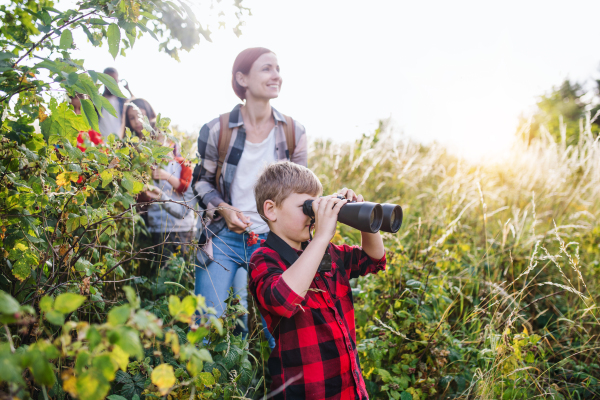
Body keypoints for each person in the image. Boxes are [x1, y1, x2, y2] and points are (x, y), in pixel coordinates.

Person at [182, 47, 307, 344]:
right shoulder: (217, 129)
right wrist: (224, 208)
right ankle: (199, 388)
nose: (276, 75)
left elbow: (301, 194)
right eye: (266, 68)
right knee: (204, 326)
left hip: (271, 241)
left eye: (278, 68)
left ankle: (278, 387)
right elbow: (200, 182)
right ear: (242, 78)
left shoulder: (293, 132)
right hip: (223, 237)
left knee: (281, 332)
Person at [248, 161, 386, 399]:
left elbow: (373, 260)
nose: (314, 215)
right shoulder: (263, 259)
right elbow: (282, 299)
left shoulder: (326, 251)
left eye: (317, 205)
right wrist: (321, 237)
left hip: (350, 388)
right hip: (307, 392)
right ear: (271, 210)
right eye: (307, 207)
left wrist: (365, 218)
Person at [125, 98, 195, 275]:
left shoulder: (180, 164)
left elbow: (185, 190)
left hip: (180, 226)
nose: (160, 146)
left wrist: (165, 177)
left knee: (181, 270)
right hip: (156, 224)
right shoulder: (142, 162)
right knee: (160, 269)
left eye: (163, 142)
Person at [97, 67, 129, 139]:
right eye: (108, 80)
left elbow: (137, 107)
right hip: (101, 145)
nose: (111, 83)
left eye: (114, 80)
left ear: (118, 81)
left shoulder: (123, 102)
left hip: (120, 144)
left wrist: (128, 89)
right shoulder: (97, 101)